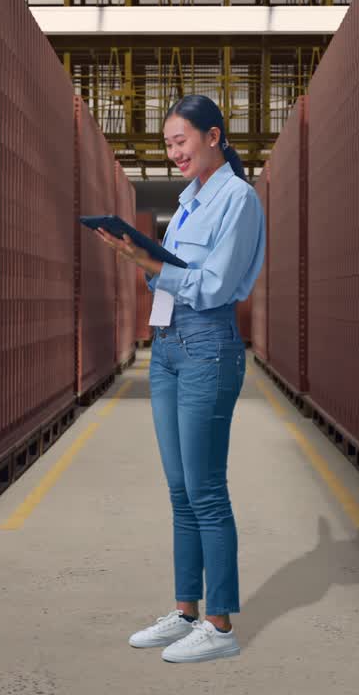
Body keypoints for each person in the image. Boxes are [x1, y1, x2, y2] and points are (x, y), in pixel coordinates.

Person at [93, 94, 265, 664]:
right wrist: (141, 257)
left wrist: (149, 264)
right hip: (167, 347)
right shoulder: (190, 200)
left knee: (207, 490)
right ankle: (186, 610)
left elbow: (214, 287)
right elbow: (169, 277)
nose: (174, 154)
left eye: (181, 141)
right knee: (179, 491)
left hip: (207, 347)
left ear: (213, 136)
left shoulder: (237, 199)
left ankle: (220, 625)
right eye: (167, 144)